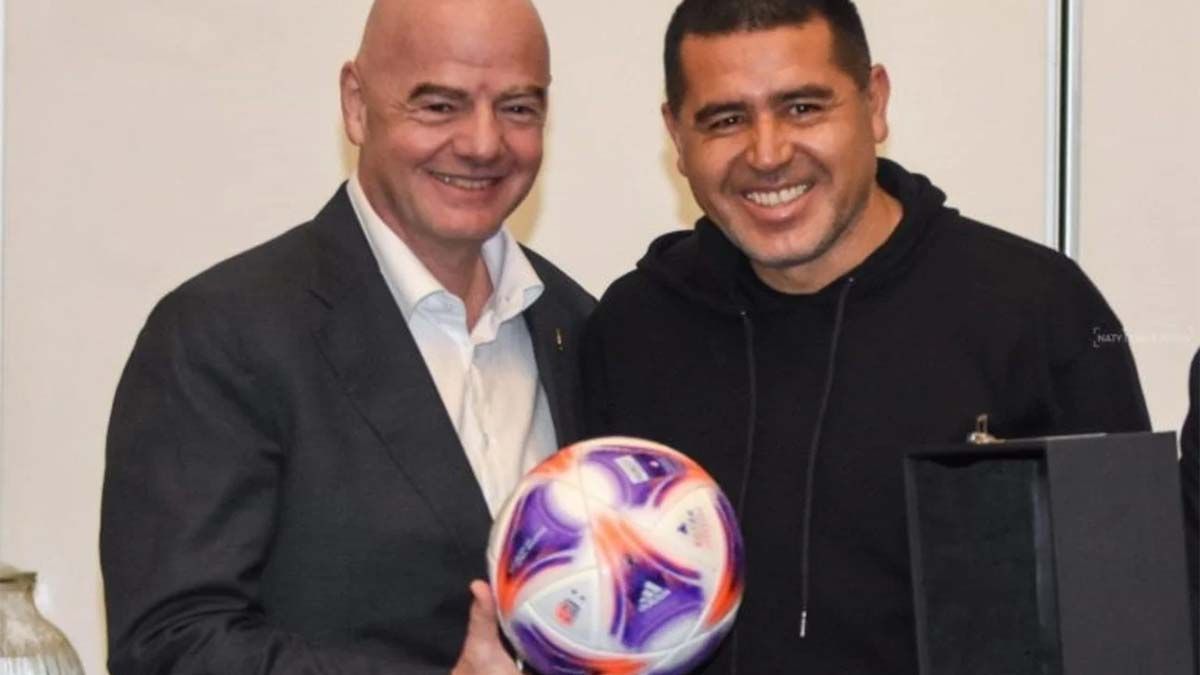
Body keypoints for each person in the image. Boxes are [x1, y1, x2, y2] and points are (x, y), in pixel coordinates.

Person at [582, 0, 1151, 672]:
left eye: (803, 108)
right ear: (676, 137)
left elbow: (1127, 630)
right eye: (726, 119)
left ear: (874, 103)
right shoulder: (633, 328)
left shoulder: (1038, 311)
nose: (767, 153)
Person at [100, 0, 592, 672]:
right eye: (439, 105)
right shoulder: (221, 335)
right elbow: (171, 644)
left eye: (517, 108)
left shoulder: (580, 327)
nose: (483, 143)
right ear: (356, 105)